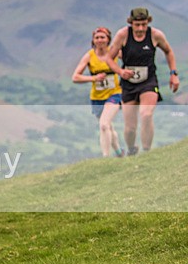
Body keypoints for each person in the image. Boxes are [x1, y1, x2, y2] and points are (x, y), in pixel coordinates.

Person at [103, 8, 179, 154]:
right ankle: (132, 149)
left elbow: (169, 51)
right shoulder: (122, 35)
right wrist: (120, 71)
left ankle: (147, 152)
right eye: (137, 25)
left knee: (146, 114)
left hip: (148, 81)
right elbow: (108, 58)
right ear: (131, 23)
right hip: (128, 84)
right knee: (130, 128)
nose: (140, 29)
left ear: (148, 22)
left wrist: (173, 73)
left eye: (144, 24)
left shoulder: (156, 35)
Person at [71, 27, 125, 157]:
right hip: (97, 97)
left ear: (108, 40)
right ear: (93, 40)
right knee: (108, 127)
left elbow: (132, 61)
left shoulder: (115, 52)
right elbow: (75, 77)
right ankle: (119, 153)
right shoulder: (89, 56)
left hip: (114, 94)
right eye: (97, 38)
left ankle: (105, 158)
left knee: (104, 125)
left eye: (102, 37)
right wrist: (94, 78)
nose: (100, 40)